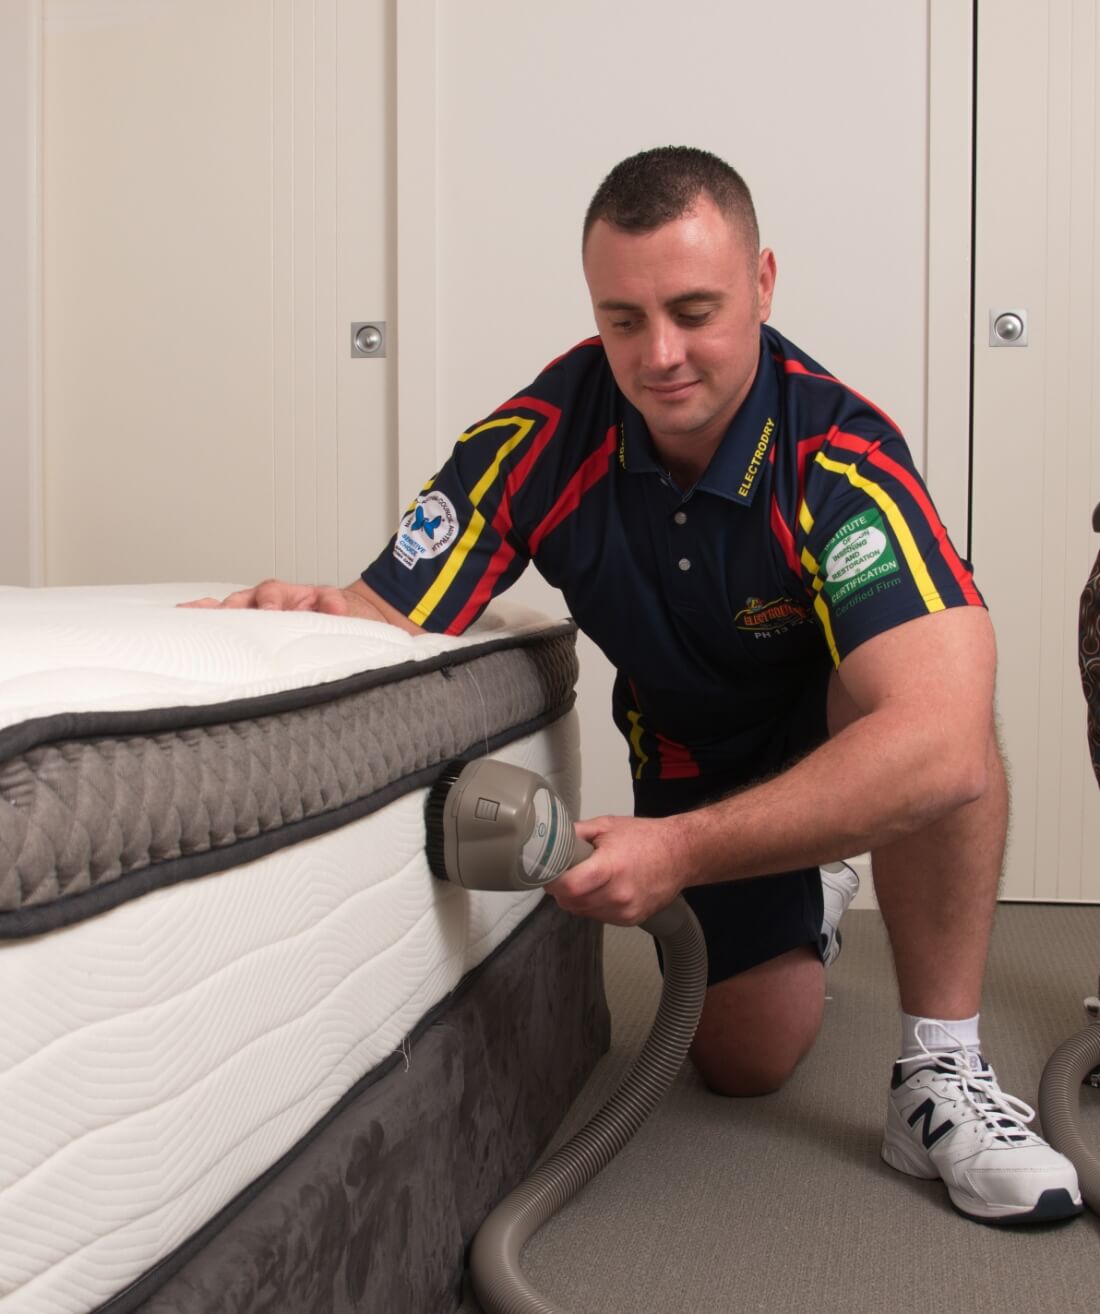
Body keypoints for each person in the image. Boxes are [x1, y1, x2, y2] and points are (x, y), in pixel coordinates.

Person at [186, 146, 1082, 1226]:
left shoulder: (841, 454)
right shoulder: (538, 437)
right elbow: (390, 616)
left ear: (761, 284)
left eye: (694, 310)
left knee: (948, 737)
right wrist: (302, 629)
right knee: (743, 1059)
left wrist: (684, 852)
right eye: (623, 319)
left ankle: (936, 1071)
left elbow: (935, 744)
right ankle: (817, 880)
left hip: (839, 727)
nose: (659, 355)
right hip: (696, 756)